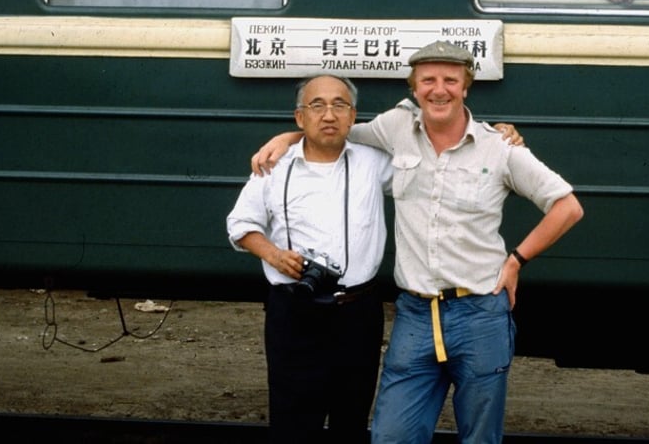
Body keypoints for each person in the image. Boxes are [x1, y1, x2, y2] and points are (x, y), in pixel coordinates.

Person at [251, 41, 584, 444]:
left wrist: (516, 261)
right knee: (391, 435)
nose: (438, 89)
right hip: (416, 316)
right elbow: (331, 130)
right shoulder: (394, 129)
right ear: (414, 88)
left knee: (480, 436)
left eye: (450, 80)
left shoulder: (499, 147)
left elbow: (567, 207)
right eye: (428, 80)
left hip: (479, 314)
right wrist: (288, 136)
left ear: (466, 87)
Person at [227, 74, 393, 444]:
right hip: (294, 313)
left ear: (353, 116)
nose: (329, 115)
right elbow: (239, 223)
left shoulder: (375, 162)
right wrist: (273, 254)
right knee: (292, 424)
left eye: (340, 105)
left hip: (357, 314)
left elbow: (433, 150)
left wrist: (497, 133)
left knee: (351, 421)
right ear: (300, 117)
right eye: (317, 105)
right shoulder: (275, 165)